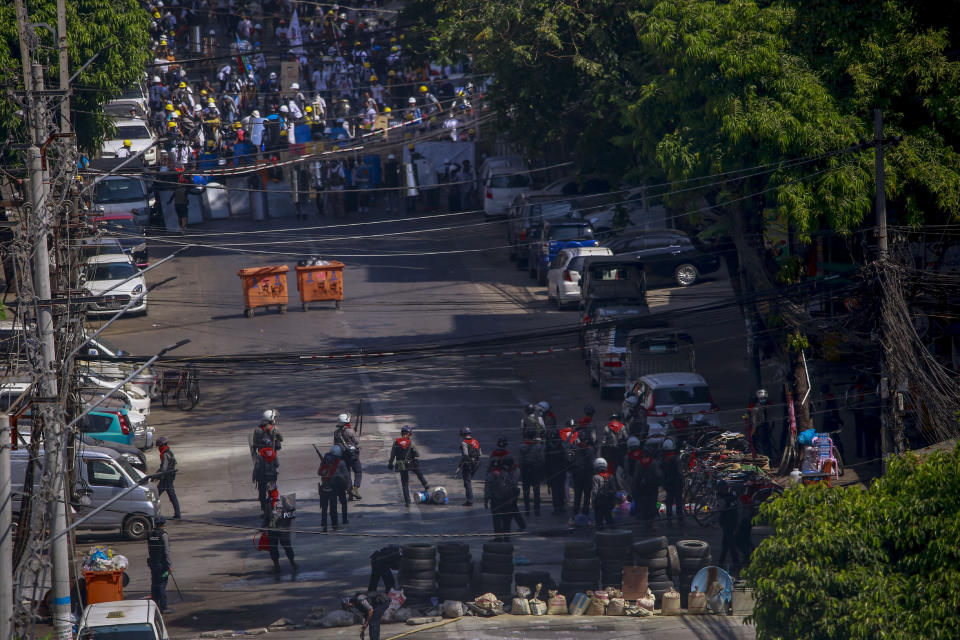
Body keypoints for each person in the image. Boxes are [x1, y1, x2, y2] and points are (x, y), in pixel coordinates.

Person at [387, 426, 429, 506]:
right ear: (409, 434)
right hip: (411, 463)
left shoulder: (395, 443)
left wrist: (390, 464)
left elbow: (392, 455)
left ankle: (408, 502)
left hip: (401, 465)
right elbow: (417, 454)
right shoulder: (411, 443)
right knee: (418, 471)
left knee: (405, 483)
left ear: (402, 433)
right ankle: (425, 484)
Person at [262, 485, 297, 573]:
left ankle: (293, 563)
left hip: (282, 528)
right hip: (272, 527)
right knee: (273, 547)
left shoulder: (284, 499)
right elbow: (267, 515)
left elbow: (292, 513)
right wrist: (263, 526)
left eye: (271, 492)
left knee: (287, 546)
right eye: (269, 492)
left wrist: (283, 517)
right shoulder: (268, 501)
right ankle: (277, 567)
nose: (269, 494)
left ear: (276, 490)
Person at [317, 445, 350, 532]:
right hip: (334, 487)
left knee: (324, 509)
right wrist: (348, 486)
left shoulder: (325, 461)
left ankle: (324, 525)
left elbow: (320, 472)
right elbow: (346, 476)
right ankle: (335, 525)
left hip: (324, 487)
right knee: (333, 508)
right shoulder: (340, 463)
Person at [484, 457, 515, 541]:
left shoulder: (490, 476)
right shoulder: (506, 474)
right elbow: (512, 486)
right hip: (506, 500)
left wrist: (486, 501)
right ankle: (507, 537)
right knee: (507, 520)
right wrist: (511, 498)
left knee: (497, 520)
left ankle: (498, 538)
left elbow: (487, 490)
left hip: (495, 500)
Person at [333, 413, 363, 500]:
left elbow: (335, 445)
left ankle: (350, 493)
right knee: (358, 471)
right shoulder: (350, 431)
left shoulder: (336, 433)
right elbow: (357, 441)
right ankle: (355, 489)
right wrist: (355, 432)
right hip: (352, 455)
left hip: (342, 455)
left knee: (348, 474)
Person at [147, 516, 173, 613]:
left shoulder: (150, 534)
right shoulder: (163, 535)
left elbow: (150, 549)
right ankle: (164, 607)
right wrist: (169, 566)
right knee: (162, 584)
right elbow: (166, 552)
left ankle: (155, 605)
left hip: (153, 564)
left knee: (154, 585)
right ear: (163, 524)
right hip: (162, 566)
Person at [517, 428, 544, 517]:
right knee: (536, 492)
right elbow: (541, 459)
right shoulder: (539, 446)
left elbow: (520, 460)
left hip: (525, 471)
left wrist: (521, 470)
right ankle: (537, 510)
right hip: (535, 470)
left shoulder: (522, 446)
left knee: (526, 492)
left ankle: (527, 510)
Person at [569, 432, 595, 521]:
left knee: (583, 496)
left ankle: (582, 514)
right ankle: (580, 513)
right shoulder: (587, 449)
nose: (584, 442)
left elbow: (571, 461)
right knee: (580, 496)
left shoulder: (577, 448)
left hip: (582, 476)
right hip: (582, 476)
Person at [543, 427, 569, 516]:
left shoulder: (548, 447)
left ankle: (557, 508)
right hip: (561, 471)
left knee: (555, 491)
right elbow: (566, 458)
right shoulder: (561, 445)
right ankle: (561, 507)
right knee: (560, 490)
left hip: (552, 472)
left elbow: (545, 461)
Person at [155, 436, 181, 519]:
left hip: (166, 479)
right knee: (172, 496)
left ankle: (152, 513)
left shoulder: (165, 454)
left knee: (155, 496)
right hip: (169, 478)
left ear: (162, 445)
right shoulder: (169, 452)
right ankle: (177, 514)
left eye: (159, 446)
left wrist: (158, 476)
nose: (158, 448)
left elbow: (164, 468)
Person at [660, 438, 684, 524]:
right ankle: (680, 519)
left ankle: (669, 519)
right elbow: (680, 472)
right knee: (678, 501)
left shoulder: (663, 460)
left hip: (668, 482)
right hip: (677, 482)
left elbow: (661, 473)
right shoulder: (677, 458)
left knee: (669, 501)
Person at [590, 457, 618, 530]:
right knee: (609, 519)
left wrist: (592, 502)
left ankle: (600, 536)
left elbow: (595, 492)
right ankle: (615, 533)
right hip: (608, 503)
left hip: (599, 503)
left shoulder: (595, 477)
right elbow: (614, 490)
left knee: (599, 522)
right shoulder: (611, 476)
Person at [457, 427, 482, 506]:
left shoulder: (464, 443)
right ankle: (469, 498)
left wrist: (460, 465)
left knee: (467, 482)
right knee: (468, 481)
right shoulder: (476, 441)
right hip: (477, 463)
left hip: (468, 464)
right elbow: (480, 453)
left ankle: (470, 500)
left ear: (463, 434)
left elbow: (465, 455)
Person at [252, 446, 279, 516]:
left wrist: (254, 477)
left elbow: (256, 468)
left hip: (262, 479)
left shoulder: (259, 455)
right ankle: (273, 507)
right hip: (272, 478)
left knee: (262, 494)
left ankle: (264, 510)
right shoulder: (273, 454)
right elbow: (277, 464)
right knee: (272, 492)